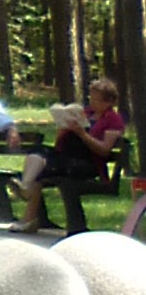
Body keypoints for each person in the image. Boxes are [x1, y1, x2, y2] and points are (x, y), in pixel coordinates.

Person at [13, 77, 126, 232]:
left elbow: (104, 150)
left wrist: (82, 134)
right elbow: (59, 143)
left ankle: (29, 217)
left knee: (43, 170)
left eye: (96, 100)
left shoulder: (113, 119)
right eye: (91, 98)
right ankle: (26, 186)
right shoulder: (86, 113)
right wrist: (63, 127)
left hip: (88, 162)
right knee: (38, 151)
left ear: (109, 102)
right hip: (67, 157)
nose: (92, 103)